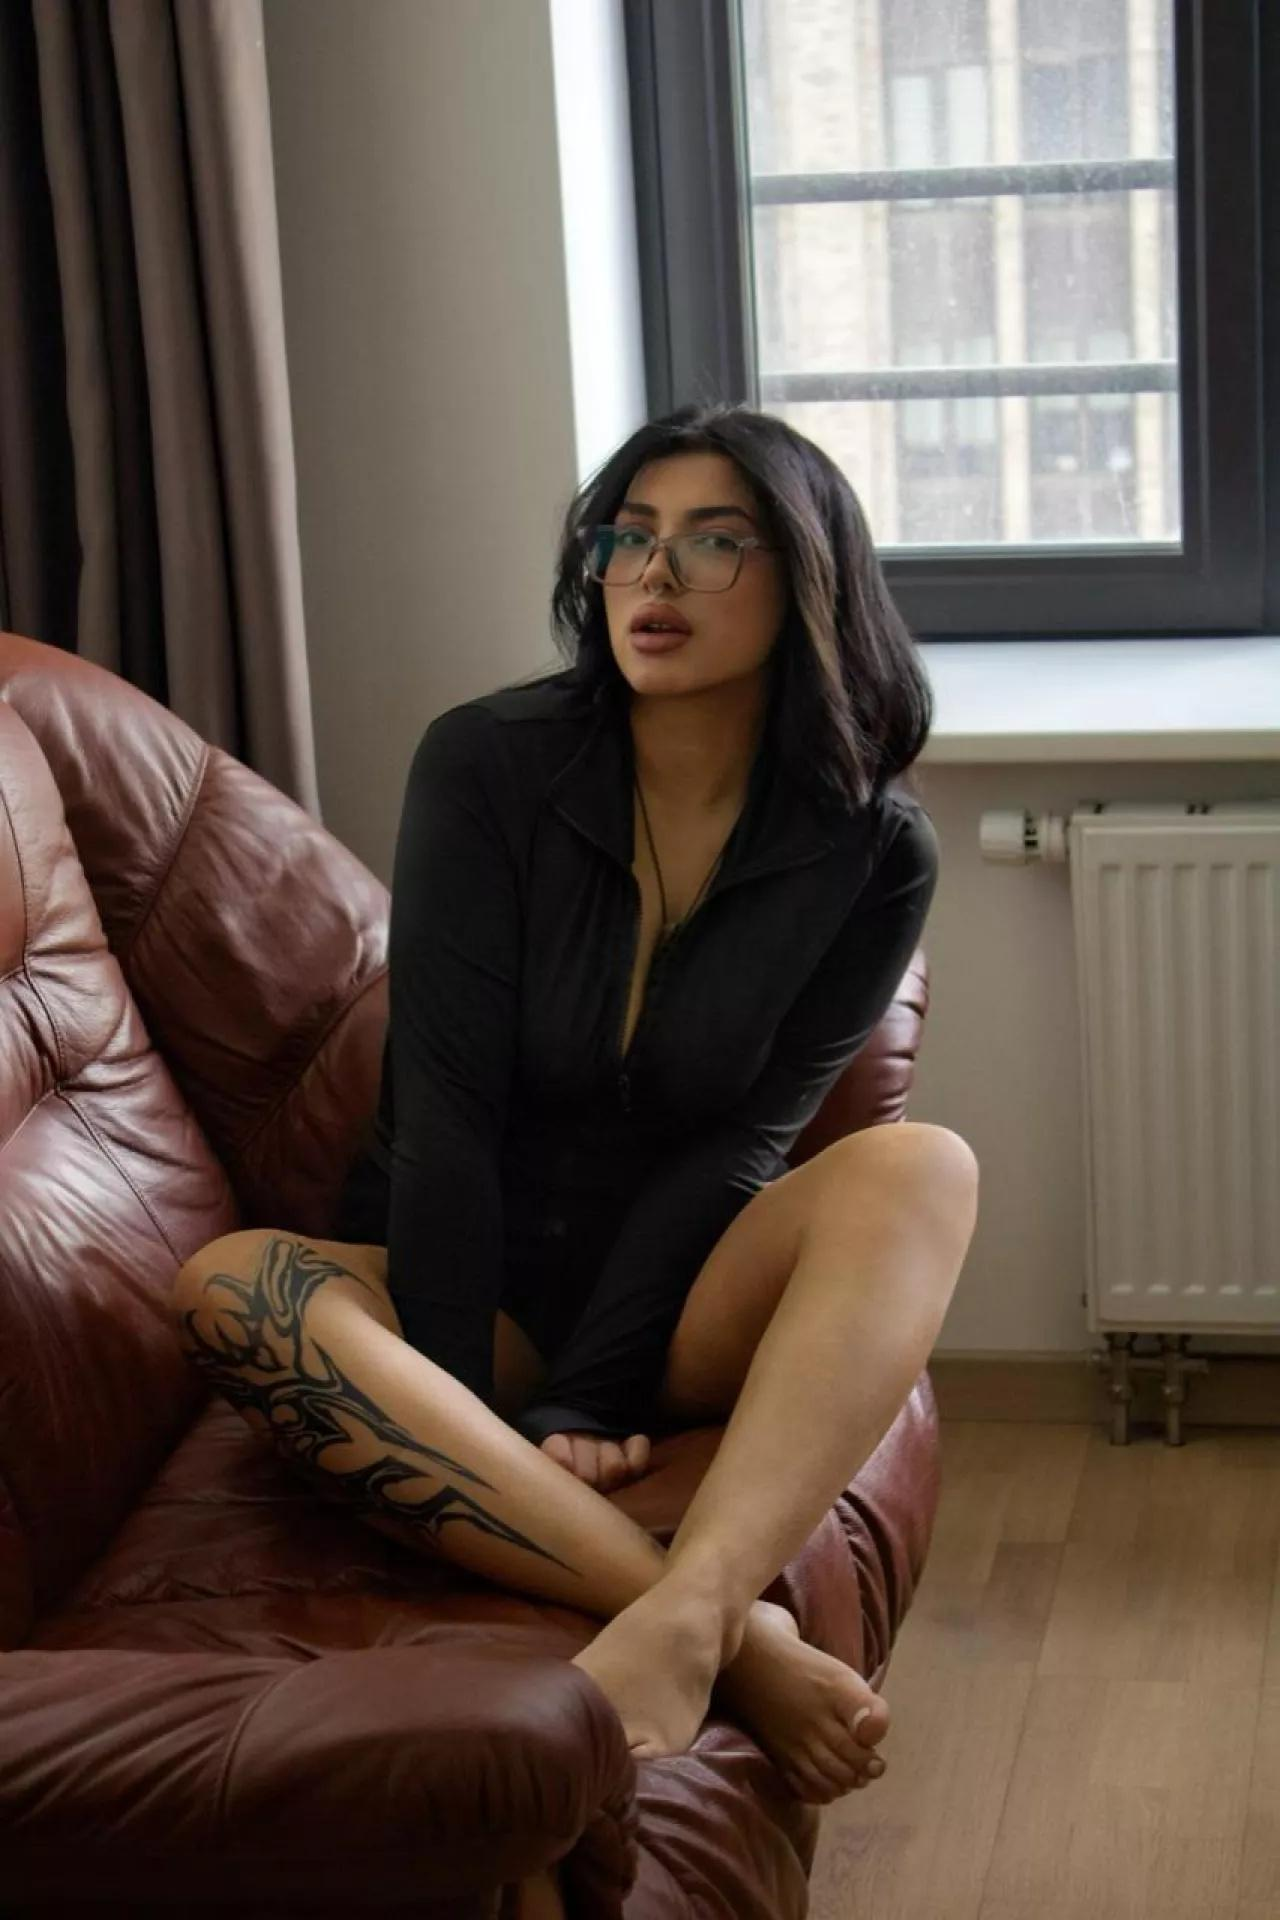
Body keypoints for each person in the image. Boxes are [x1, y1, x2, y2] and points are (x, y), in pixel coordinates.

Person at [171, 404, 979, 1822]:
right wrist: (468, 1395)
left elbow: (745, 1144)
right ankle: (726, 1630)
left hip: (680, 1301)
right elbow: (443, 1109)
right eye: (629, 537)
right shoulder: (485, 764)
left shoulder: (873, 847)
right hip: (463, 1290)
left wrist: (593, 1391)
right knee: (232, 1285)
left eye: (713, 542)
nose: (653, 575)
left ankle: (689, 1613)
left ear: (807, 581)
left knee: (924, 1167)